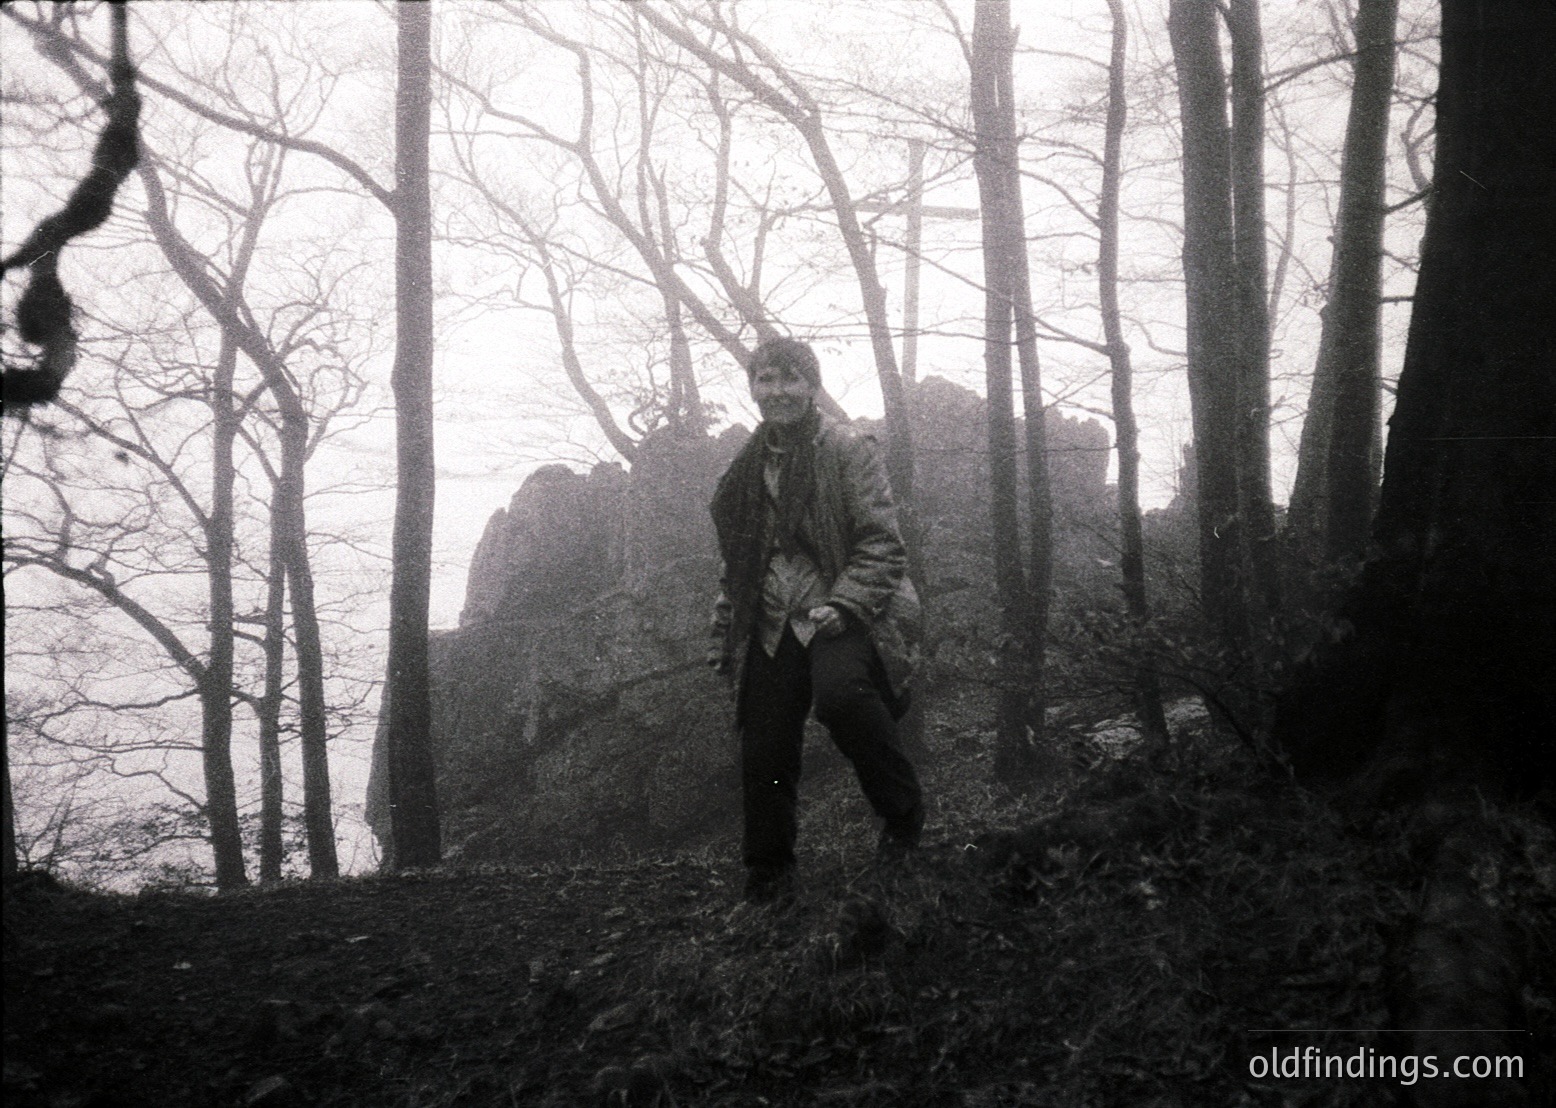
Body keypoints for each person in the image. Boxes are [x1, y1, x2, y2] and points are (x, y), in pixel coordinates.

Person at [708, 337, 926, 904]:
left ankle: (903, 820)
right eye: (766, 380)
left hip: (840, 607)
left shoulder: (847, 450)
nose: (777, 392)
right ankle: (770, 872)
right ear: (752, 386)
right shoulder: (745, 469)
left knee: (843, 700)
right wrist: (724, 626)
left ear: (811, 386)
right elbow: (739, 563)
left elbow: (883, 542)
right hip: (772, 618)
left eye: (791, 379)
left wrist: (846, 603)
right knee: (764, 744)